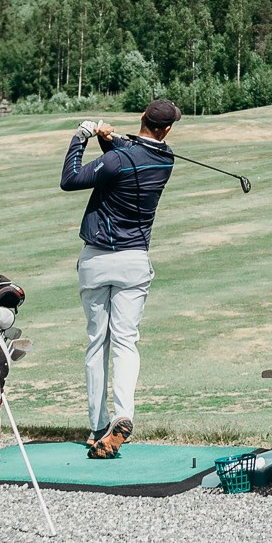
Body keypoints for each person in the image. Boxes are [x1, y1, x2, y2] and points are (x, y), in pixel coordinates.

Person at [59, 98, 178, 459]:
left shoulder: (118, 160)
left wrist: (81, 137)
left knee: (98, 342)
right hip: (134, 262)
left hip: (97, 261)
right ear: (167, 129)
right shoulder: (166, 159)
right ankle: (123, 416)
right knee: (126, 342)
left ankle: (98, 425)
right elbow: (128, 157)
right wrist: (108, 139)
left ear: (142, 117)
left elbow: (71, 179)